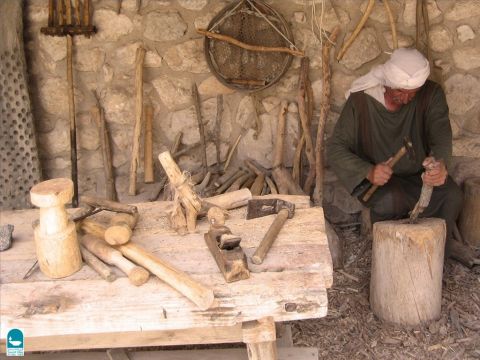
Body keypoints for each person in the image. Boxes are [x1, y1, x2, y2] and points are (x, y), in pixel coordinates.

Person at [327, 47, 475, 266]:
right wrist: (368, 171)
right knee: (389, 203)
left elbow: (441, 132)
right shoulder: (360, 102)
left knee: (452, 195)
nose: (406, 99)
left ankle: (432, 263)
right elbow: (335, 149)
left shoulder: (431, 94)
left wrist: (440, 163)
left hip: (418, 176)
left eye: (412, 94)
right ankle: (391, 265)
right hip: (380, 183)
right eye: (400, 92)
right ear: (386, 82)